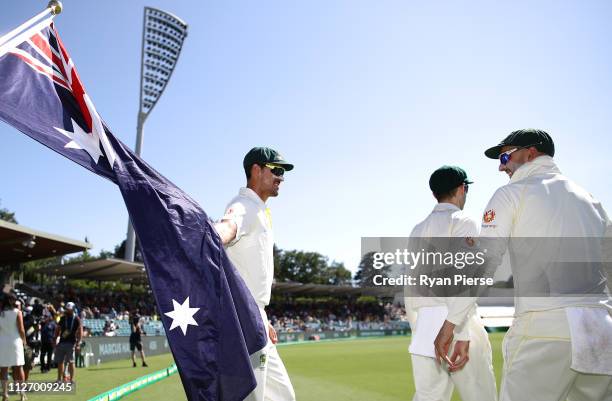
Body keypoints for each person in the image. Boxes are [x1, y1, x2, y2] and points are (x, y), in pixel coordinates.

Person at [434, 129, 612, 401]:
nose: (501, 166)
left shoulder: (511, 193)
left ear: (531, 153)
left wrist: (450, 325)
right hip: (601, 331)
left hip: (544, 328)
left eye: (505, 156)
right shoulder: (591, 200)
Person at [405, 166, 497, 401]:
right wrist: (462, 332)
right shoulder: (464, 221)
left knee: (427, 397)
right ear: (461, 188)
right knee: (481, 396)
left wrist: (418, 328)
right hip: (457, 321)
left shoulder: (417, 230)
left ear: (435, 193)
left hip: (425, 322)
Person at [214, 147, 296, 401]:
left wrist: (263, 316)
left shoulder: (259, 209)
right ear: (256, 171)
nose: (281, 177)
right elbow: (227, 227)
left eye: (283, 173)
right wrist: (212, 237)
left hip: (255, 315)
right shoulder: (244, 205)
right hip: (243, 318)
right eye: (277, 170)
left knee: (283, 396)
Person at [0, 293, 26, 401]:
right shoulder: (17, 312)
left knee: (4, 369)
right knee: (19, 367)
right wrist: (25, 341)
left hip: (3, 342)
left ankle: (5, 393)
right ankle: (22, 394)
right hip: (15, 341)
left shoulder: (0, 313)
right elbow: (21, 329)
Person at [53, 302, 82, 383]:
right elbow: (57, 329)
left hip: (71, 343)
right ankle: (59, 379)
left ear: (73, 309)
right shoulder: (62, 318)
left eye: (69, 309)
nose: (68, 311)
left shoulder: (76, 318)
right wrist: (55, 339)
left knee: (71, 362)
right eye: (67, 309)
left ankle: (71, 379)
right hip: (62, 342)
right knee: (60, 362)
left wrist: (78, 343)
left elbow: (80, 331)